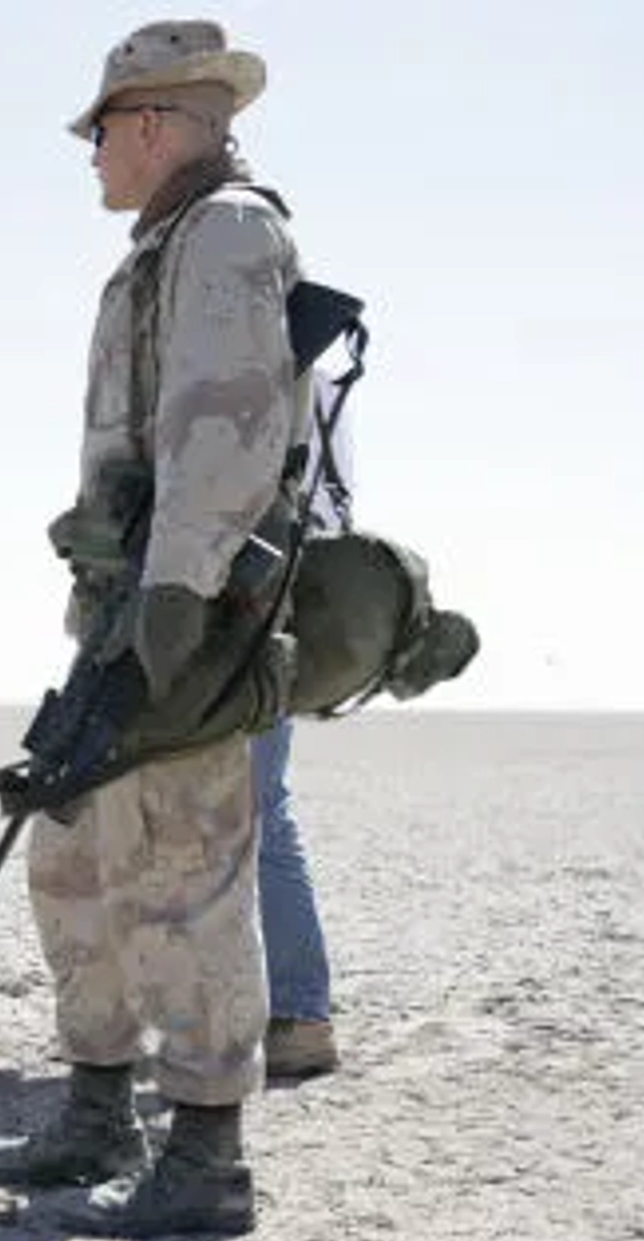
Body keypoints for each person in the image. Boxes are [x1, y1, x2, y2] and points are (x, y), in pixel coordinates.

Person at [0, 22, 306, 1237]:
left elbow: (228, 419)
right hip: (126, 609)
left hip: (185, 613)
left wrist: (177, 593)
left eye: (101, 131)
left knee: (188, 881)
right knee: (73, 856)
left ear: (154, 123)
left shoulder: (224, 232)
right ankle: (100, 1109)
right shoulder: (162, 246)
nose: (92, 154)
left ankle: (206, 1157)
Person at [257, 379, 353, 1079]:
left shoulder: (265, 375)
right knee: (262, 812)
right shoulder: (322, 387)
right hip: (291, 619)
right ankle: (295, 1012)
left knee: (243, 814)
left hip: (247, 614)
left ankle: (294, 1011)